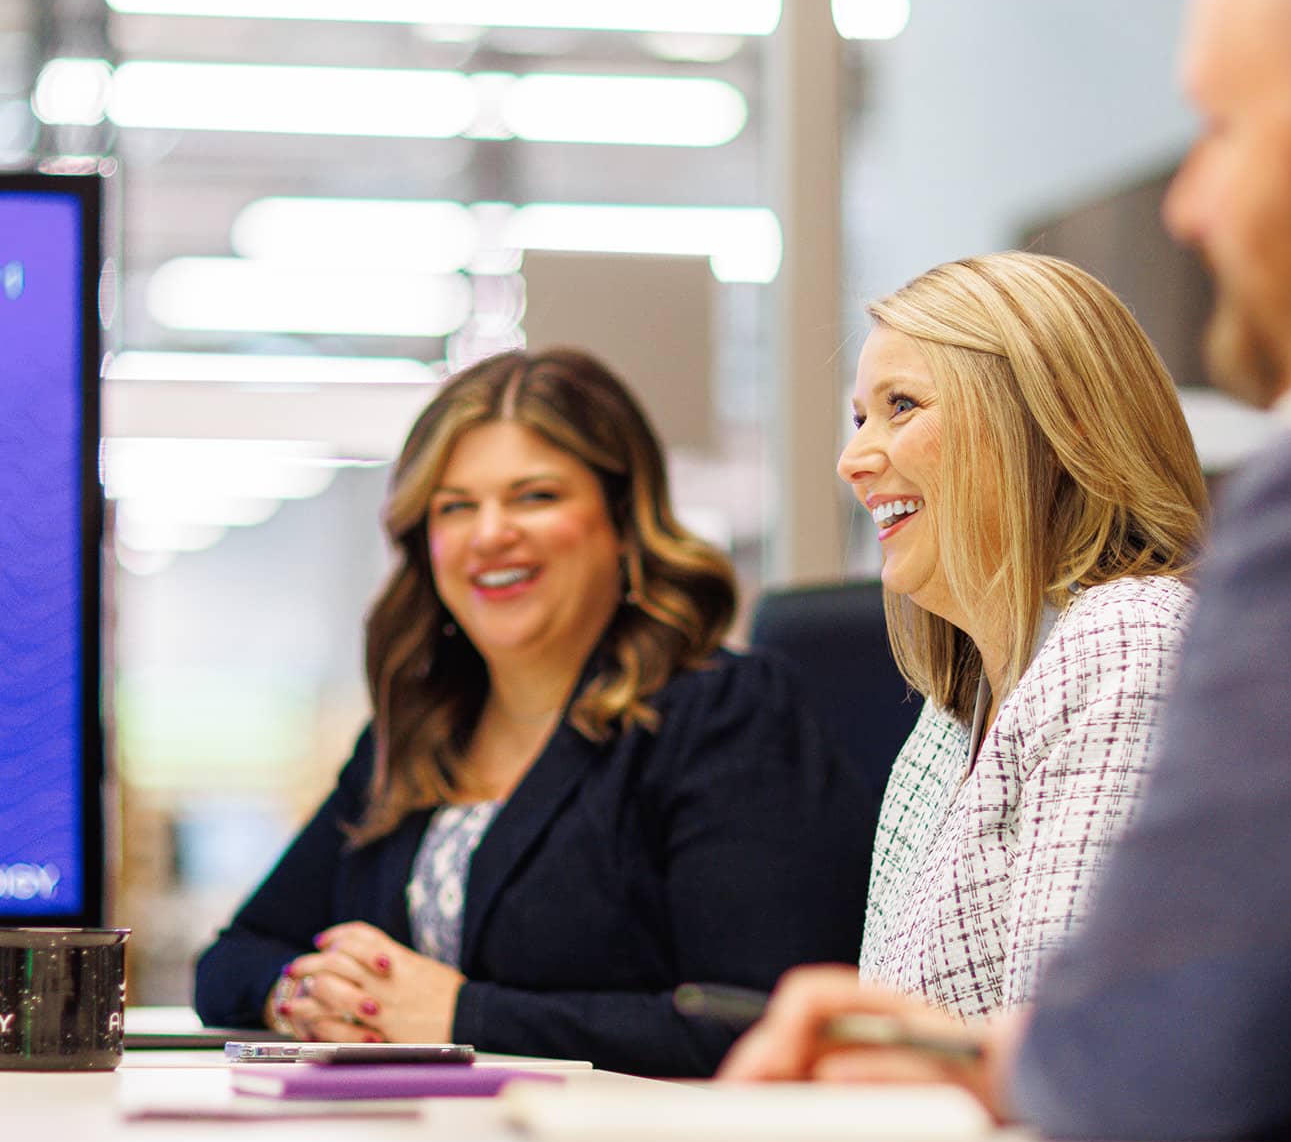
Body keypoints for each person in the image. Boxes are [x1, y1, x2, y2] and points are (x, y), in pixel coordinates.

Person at [723, 0, 1291, 1142]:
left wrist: (966, 1064)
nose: (1186, 203)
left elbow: (1175, 1045)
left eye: (1221, 130)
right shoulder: (949, 718)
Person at [195, 348, 875, 1077]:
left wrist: (462, 1017)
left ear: (622, 521)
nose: (490, 534)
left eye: (535, 496)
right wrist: (305, 993)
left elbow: (755, 1020)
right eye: (456, 506)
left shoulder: (723, 716)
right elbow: (232, 959)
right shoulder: (422, 734)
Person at [837, 251, 1205, 1017]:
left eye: (902, 406)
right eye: (861, 417)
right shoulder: (954, 713)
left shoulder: (1129, 643)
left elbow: (1076, 1050)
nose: (853, 460)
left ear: (1056, 423)